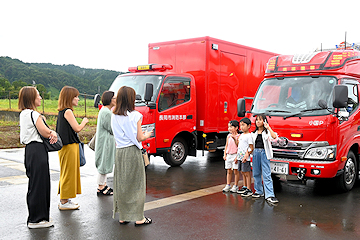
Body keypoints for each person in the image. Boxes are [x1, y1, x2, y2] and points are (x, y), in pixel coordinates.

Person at [111, 86, 153, 226]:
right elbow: (139, 137)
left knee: (122, 184)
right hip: (132, 151)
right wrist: (148, 135)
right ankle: (139, 218)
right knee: (137, 185)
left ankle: (123, 216)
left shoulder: (113, 113)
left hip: (120, 152)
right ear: (131, 99)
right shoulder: (135, 115)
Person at [18, 86, 58, 228]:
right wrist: (52, 132)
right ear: (31, 98)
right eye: (38, 95)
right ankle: (37, 219)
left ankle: (37, 216)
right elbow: (45, 132)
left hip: (30, 150)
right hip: (38, 150)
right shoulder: (34, 114)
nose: (40, 97)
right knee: (41, 184)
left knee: (35, 184)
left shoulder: (24, 114)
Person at [56, 86, 89, 210]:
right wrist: (84, 122)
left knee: (67, 172)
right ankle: (64, 202)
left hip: (66, 146)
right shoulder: (68, 111)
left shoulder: (62, 111)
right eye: (76, 96)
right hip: (69, 146)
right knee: (68, 173)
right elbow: (77, 128)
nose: (78, 99)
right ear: (70, 98)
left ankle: (66, 198)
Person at [251, 114, 279, 204]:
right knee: (256, 173)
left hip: (264, 153)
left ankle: (270, 195)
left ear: (264, 121)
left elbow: (274, 137)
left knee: (266, 174)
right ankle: (259, 191)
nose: (258, 121)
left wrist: (268, 127)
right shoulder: (253, 133)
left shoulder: (266, 132)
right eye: (257, 120)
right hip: (255, 153)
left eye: (260, 120)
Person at [95, 91, 116, 196]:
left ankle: (103, 184)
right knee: (104, 163)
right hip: (106, 142)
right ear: (110, 99)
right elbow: (112, 128)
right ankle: (101, 186)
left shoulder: (105, 111)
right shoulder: (107, 112)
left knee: (104, 162)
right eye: (114, 98)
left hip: (105, 140)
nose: (116, 100)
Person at [235, 118, 254, 197]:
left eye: (243, 125)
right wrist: (237, 157)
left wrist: (247, 155)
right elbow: (239, 146)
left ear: (249, 126)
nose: (241, 127)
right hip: (240, 157)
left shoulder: (249, 136)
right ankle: (245, 186)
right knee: (242, 172)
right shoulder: (241, 135)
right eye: (240, 125)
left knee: (247, 173)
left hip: (245, 158)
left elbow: (251, 147)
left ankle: (249, 189)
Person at [222, 120, 240, 193]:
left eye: (231, 127)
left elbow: (239, 146)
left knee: (236, 171)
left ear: (236, 128)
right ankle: (228, 185)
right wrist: (225, 154)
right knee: (229, 171)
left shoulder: (239, 136)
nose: (229, 128)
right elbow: (226, 145)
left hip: (235, 154)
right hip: (229, 155)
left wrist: (237, 157)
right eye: (228, 127)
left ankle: (235, 185)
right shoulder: (228, 136)